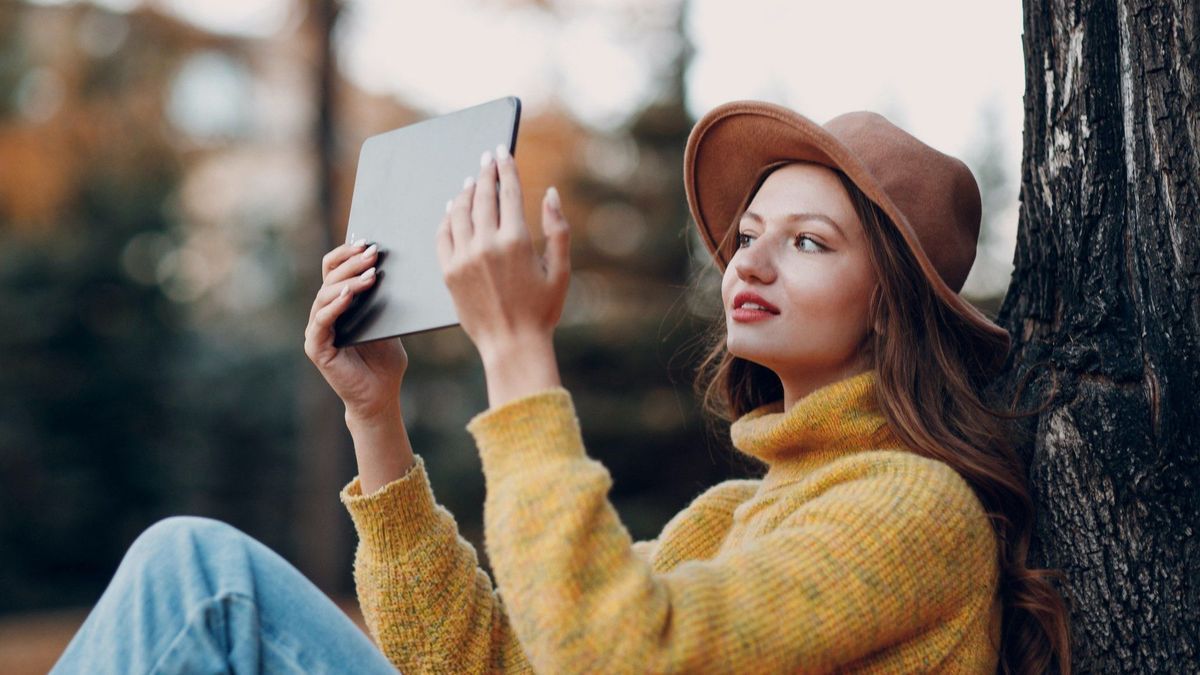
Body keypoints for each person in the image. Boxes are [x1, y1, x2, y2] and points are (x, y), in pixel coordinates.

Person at [50, 100, 1072, 674]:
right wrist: (377, 415)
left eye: (807, 243)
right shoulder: (727, 520)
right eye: (748, 236)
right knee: (197, 573)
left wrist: (516, 354)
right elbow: (486, 661)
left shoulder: (912, 511)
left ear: (891, 305)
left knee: (199, 585)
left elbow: (610, 656)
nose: (750, 265)